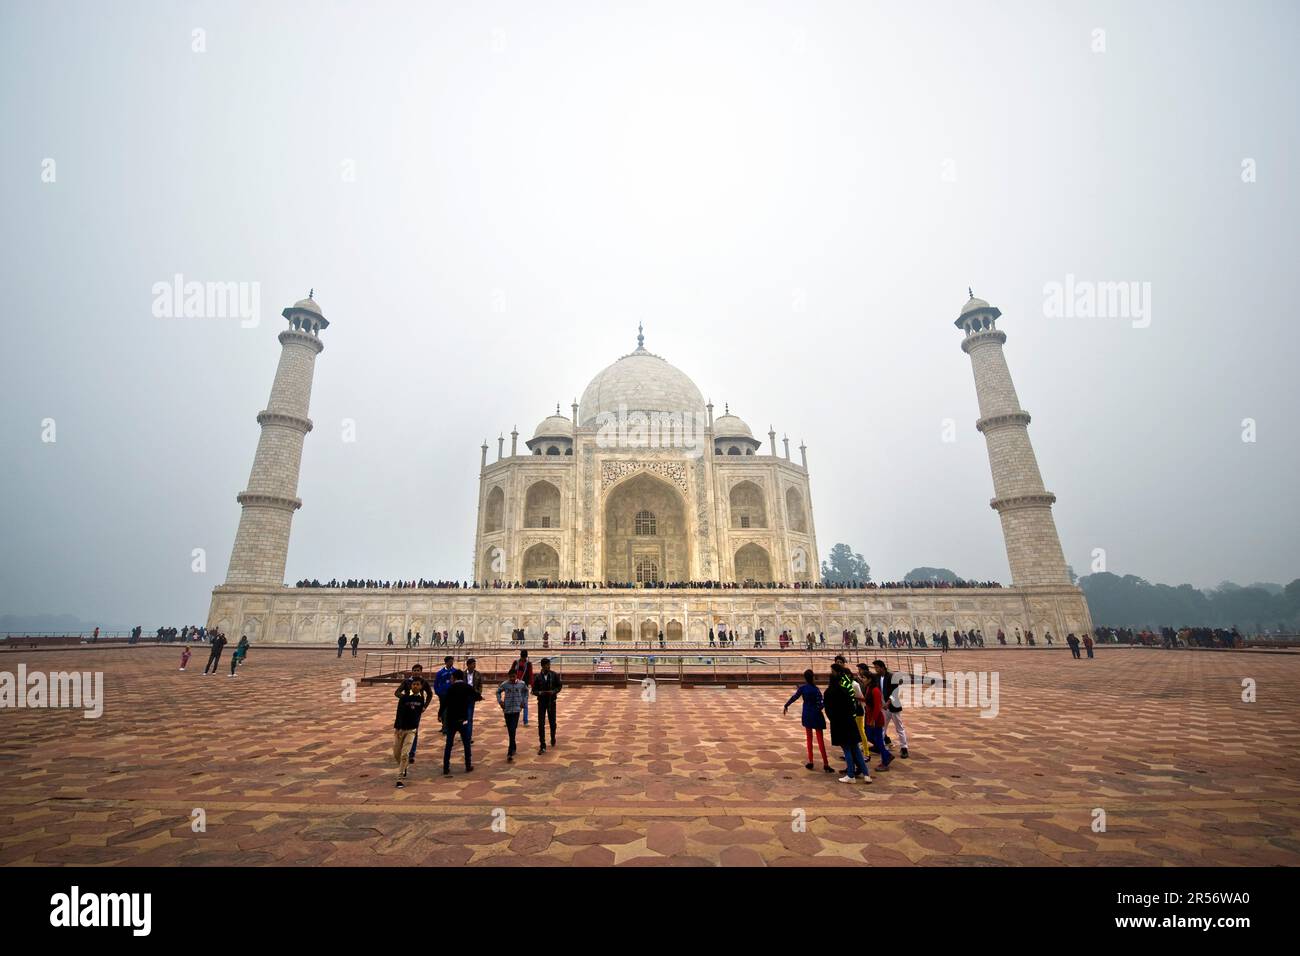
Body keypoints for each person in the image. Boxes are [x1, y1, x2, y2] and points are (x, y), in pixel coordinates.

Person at [825, 664, 870, 783]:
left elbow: (828, 710)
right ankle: (866, 774)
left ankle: (851, 775)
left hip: (839, 723)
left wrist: (833, 720)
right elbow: (852, 705)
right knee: (855, 747)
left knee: (847, 749)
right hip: (850, 721)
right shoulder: (846, 690)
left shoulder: (829, 692)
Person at [784, 669, 834, 773]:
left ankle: (811, 761)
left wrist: (786, 705)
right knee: (820, 740)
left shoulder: (803, 688)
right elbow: (821, 702)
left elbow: (794, 697)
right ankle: (825, 763)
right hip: (816, 714)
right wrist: (818, 708)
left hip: (807, 714)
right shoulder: (816, 689)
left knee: (809, 739)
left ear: (805, 678)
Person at [393, 673, 428, 788]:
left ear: (421, 687)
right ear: (411, 686)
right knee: (396, 754)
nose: (416, 686)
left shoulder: (421, 700)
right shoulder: (404, 698)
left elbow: (418, 713)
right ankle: (404, 766)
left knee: (405, 753)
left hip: (411, 730)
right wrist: (397, 727)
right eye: (414, 684)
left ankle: (400, 777)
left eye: (418, 685)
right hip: (400, 729)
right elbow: (399, 713)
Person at [441, 670, 476, 775]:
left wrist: (440, 714)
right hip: (463, 719)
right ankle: (468, 765)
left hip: (451, 720)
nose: (451, 679)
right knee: (466, 744)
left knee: (449, 744)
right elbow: (475, 695)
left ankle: (446, 767)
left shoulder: (450, 688)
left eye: (452, 677)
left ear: (455, 678)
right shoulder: (467, 687)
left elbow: (445, 703)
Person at [396, 664, 433, 764]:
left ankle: (412, 753)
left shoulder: (423, 682)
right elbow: (397, 692)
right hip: (405, 709)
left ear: (421, 672)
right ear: (412, 671)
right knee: (403, 729)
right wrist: (405, 698)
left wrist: (425, 706)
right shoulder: (407, 682)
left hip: (417, 709)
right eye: (414, 670)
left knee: (414, 730)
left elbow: (430, 694)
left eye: (418, 670)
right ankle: (403, 750)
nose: (416, 672)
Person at [872, 659, 909, 758]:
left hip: (893, 706)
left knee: (899, 728)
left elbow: (895, 692)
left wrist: (888, 702)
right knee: (882, 727)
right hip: (883, 707)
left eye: (877, 668)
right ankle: (881, 746)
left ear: (883, 667)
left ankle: (904, 747)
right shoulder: (877, 678)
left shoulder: (891, 677)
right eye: (875, 668)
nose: (876, 670)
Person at [860, 663, 893, 770]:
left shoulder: (875, 690)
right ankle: (886, 754)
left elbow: (877, 707)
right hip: (870, 717)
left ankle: (885, 759)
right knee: (870, 736)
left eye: (864, 678)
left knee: (877, 739)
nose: (862, 680)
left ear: (869, 679)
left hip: (876, 719)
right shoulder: (869, 689)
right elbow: (868, 701)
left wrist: (873, 720)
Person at [496, 666, 528, 761]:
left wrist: (524, 701)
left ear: (516, 676)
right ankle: (513, 746)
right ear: (508, 676)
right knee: (510, 729)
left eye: (514, 677)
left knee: (513, 728)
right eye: (511, 677)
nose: (512, 679)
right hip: (507, 710)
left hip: (517, 709)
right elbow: (498, 692)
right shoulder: (505, 684)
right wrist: (500, 702)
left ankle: (510, 750)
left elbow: (526, 692)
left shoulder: (522, 684)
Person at [532, 657, 563, 754]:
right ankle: (542, 745)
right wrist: (540, 693)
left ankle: (553, 737)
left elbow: (559, 686)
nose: (548, 667)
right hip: (541, 702)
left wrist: (553, 692)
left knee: (552, 722)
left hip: (551, 701)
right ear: (542, 666)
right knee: (541, 724)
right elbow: (534, 690)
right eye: (546, 666)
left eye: (549, 665)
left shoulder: (554, 675)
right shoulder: (537, 677)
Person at [513, 649, 534, 726]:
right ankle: (516, 720)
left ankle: (524, 721)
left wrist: (532, 686)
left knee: (523, 703)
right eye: (523, 657)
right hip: (516, 686)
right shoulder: (517, 663)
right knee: (517, 703)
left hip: (522, 686)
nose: (523, 658)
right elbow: (511, 672)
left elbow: (531, 675)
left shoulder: (527, 664)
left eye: (524, 657)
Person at [433, 655, 456, 725]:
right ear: (446, 662)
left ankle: (448, 724)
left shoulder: (455, 671)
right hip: (443, 694)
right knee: (443, 708)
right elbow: (436, 683)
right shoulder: (440, 672)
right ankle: (444, 725)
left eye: (452, 661)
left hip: (452, 694)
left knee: (451, 709)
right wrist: (438, 692)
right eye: (450, 661)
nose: (451, 663)